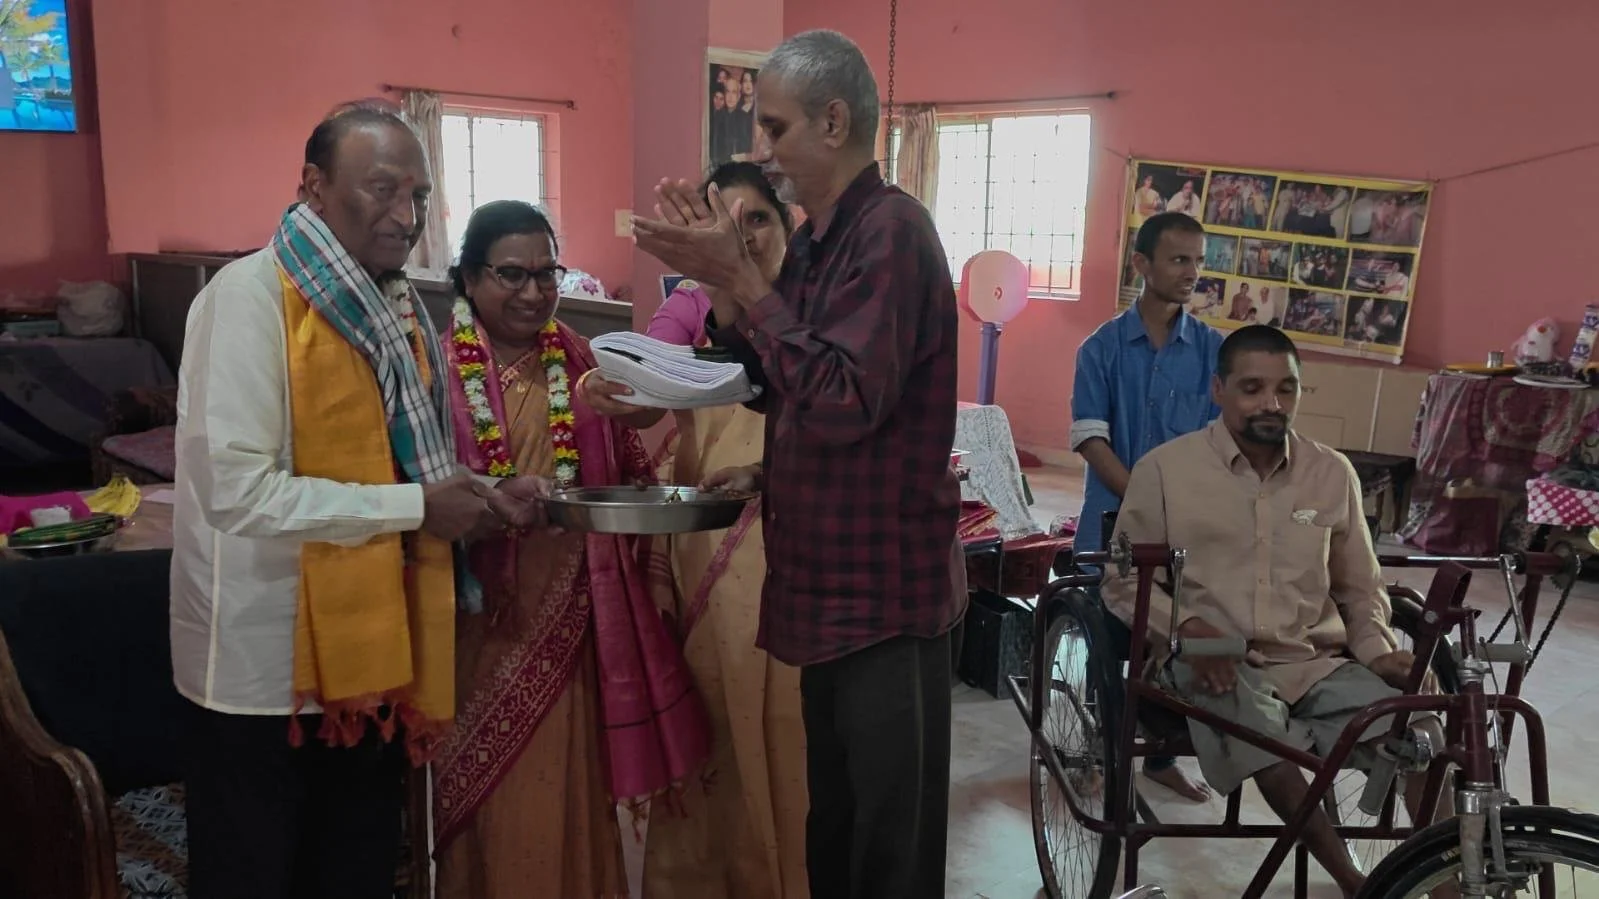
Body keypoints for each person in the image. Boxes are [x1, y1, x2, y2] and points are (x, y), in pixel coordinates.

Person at [170, 102, 547, 899]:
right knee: (256, 877)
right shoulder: (248, 300)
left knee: (357, 872)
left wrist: (474, 494)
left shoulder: (394, 306)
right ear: (312, 185)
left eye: (417, 194)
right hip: (261, 675)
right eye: (381, 189)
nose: (405, 215)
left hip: (373, 659)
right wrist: (416, 509)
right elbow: (236, 493)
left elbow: (406, 460)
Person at [631, 29, 963, 899]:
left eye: (773, 129)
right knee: (838, 835)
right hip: (825, 587)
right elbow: (783, 383)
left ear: (833, 119)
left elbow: (844, 398)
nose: (762, 152)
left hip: (884, 601)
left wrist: (740, 280)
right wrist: (721, 288)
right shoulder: (823, 239)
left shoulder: (891, 233)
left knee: (883, 856)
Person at [1103, 326, 1451, 899]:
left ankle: (1447, 889)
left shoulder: (1331, 472)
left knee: (1421, 732)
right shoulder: (1166, 470)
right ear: (1218, 389)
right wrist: (1186, 628)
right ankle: (1354, 884)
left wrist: (1380, 651)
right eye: (1252, 388)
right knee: (1256, 725)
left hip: (1314, 660)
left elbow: (1361, 588)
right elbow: (1121, 581)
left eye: (1286, 389)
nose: (1271, 403)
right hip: (1207, 660)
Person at [427, 200, 710, 898]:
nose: (532, 292)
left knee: (570, 790)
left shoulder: (581, 360)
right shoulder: (433, 371)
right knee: (486, 801)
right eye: (511, 274)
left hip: (576, 620)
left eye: (546, 272)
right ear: (467, 277)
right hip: (473, 622)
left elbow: (631, 469)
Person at [583, 162, 810, 898]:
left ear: (786, 226)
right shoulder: (688, 305)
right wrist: (608, 386)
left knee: (792, 731)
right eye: (725, 222)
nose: (742, 237)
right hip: (712, 529)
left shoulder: (817, 306)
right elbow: (646, 385)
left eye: (758, 221)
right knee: (721, 714)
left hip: (806, 539)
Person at [1070, 211, 1224, 803]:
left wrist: (1184, 507)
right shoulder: (1101, 349)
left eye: (1198, 261)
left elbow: (1219, 441)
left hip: (1192, 526)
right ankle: (1096, 750)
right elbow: (1089, 436)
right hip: (1113, 523)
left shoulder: (1214, 352)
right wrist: (1145, 501)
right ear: (1142, 265)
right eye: (1179, 259)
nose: (1192, 273)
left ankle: (1159, 757)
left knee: (1175, 642)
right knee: (1109, 638)